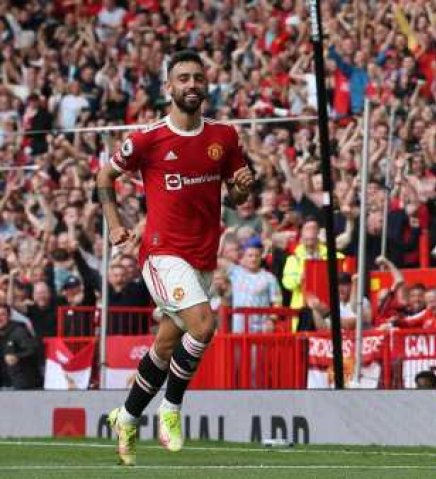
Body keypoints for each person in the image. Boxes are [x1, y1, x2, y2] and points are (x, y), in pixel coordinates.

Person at [97, 50, 254, 466]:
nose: (191, 85)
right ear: (168, 87)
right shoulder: (148, 139)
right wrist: (115, 224)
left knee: (166, 344)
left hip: (203, 256)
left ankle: (127, 418)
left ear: (206, 85)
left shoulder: (224, 137)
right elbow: (105, 177)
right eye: (182, 78)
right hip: (162, 253)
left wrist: (243, 185)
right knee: (204, 325)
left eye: (197, 78)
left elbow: (237, 194)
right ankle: (171, 409)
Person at [0, 303, 42, 390]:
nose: (0, 318)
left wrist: (17, 357)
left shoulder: (18, 331)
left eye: (2, 314)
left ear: (9, 316)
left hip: (23, 384)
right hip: (5, 382)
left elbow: (33, 350)